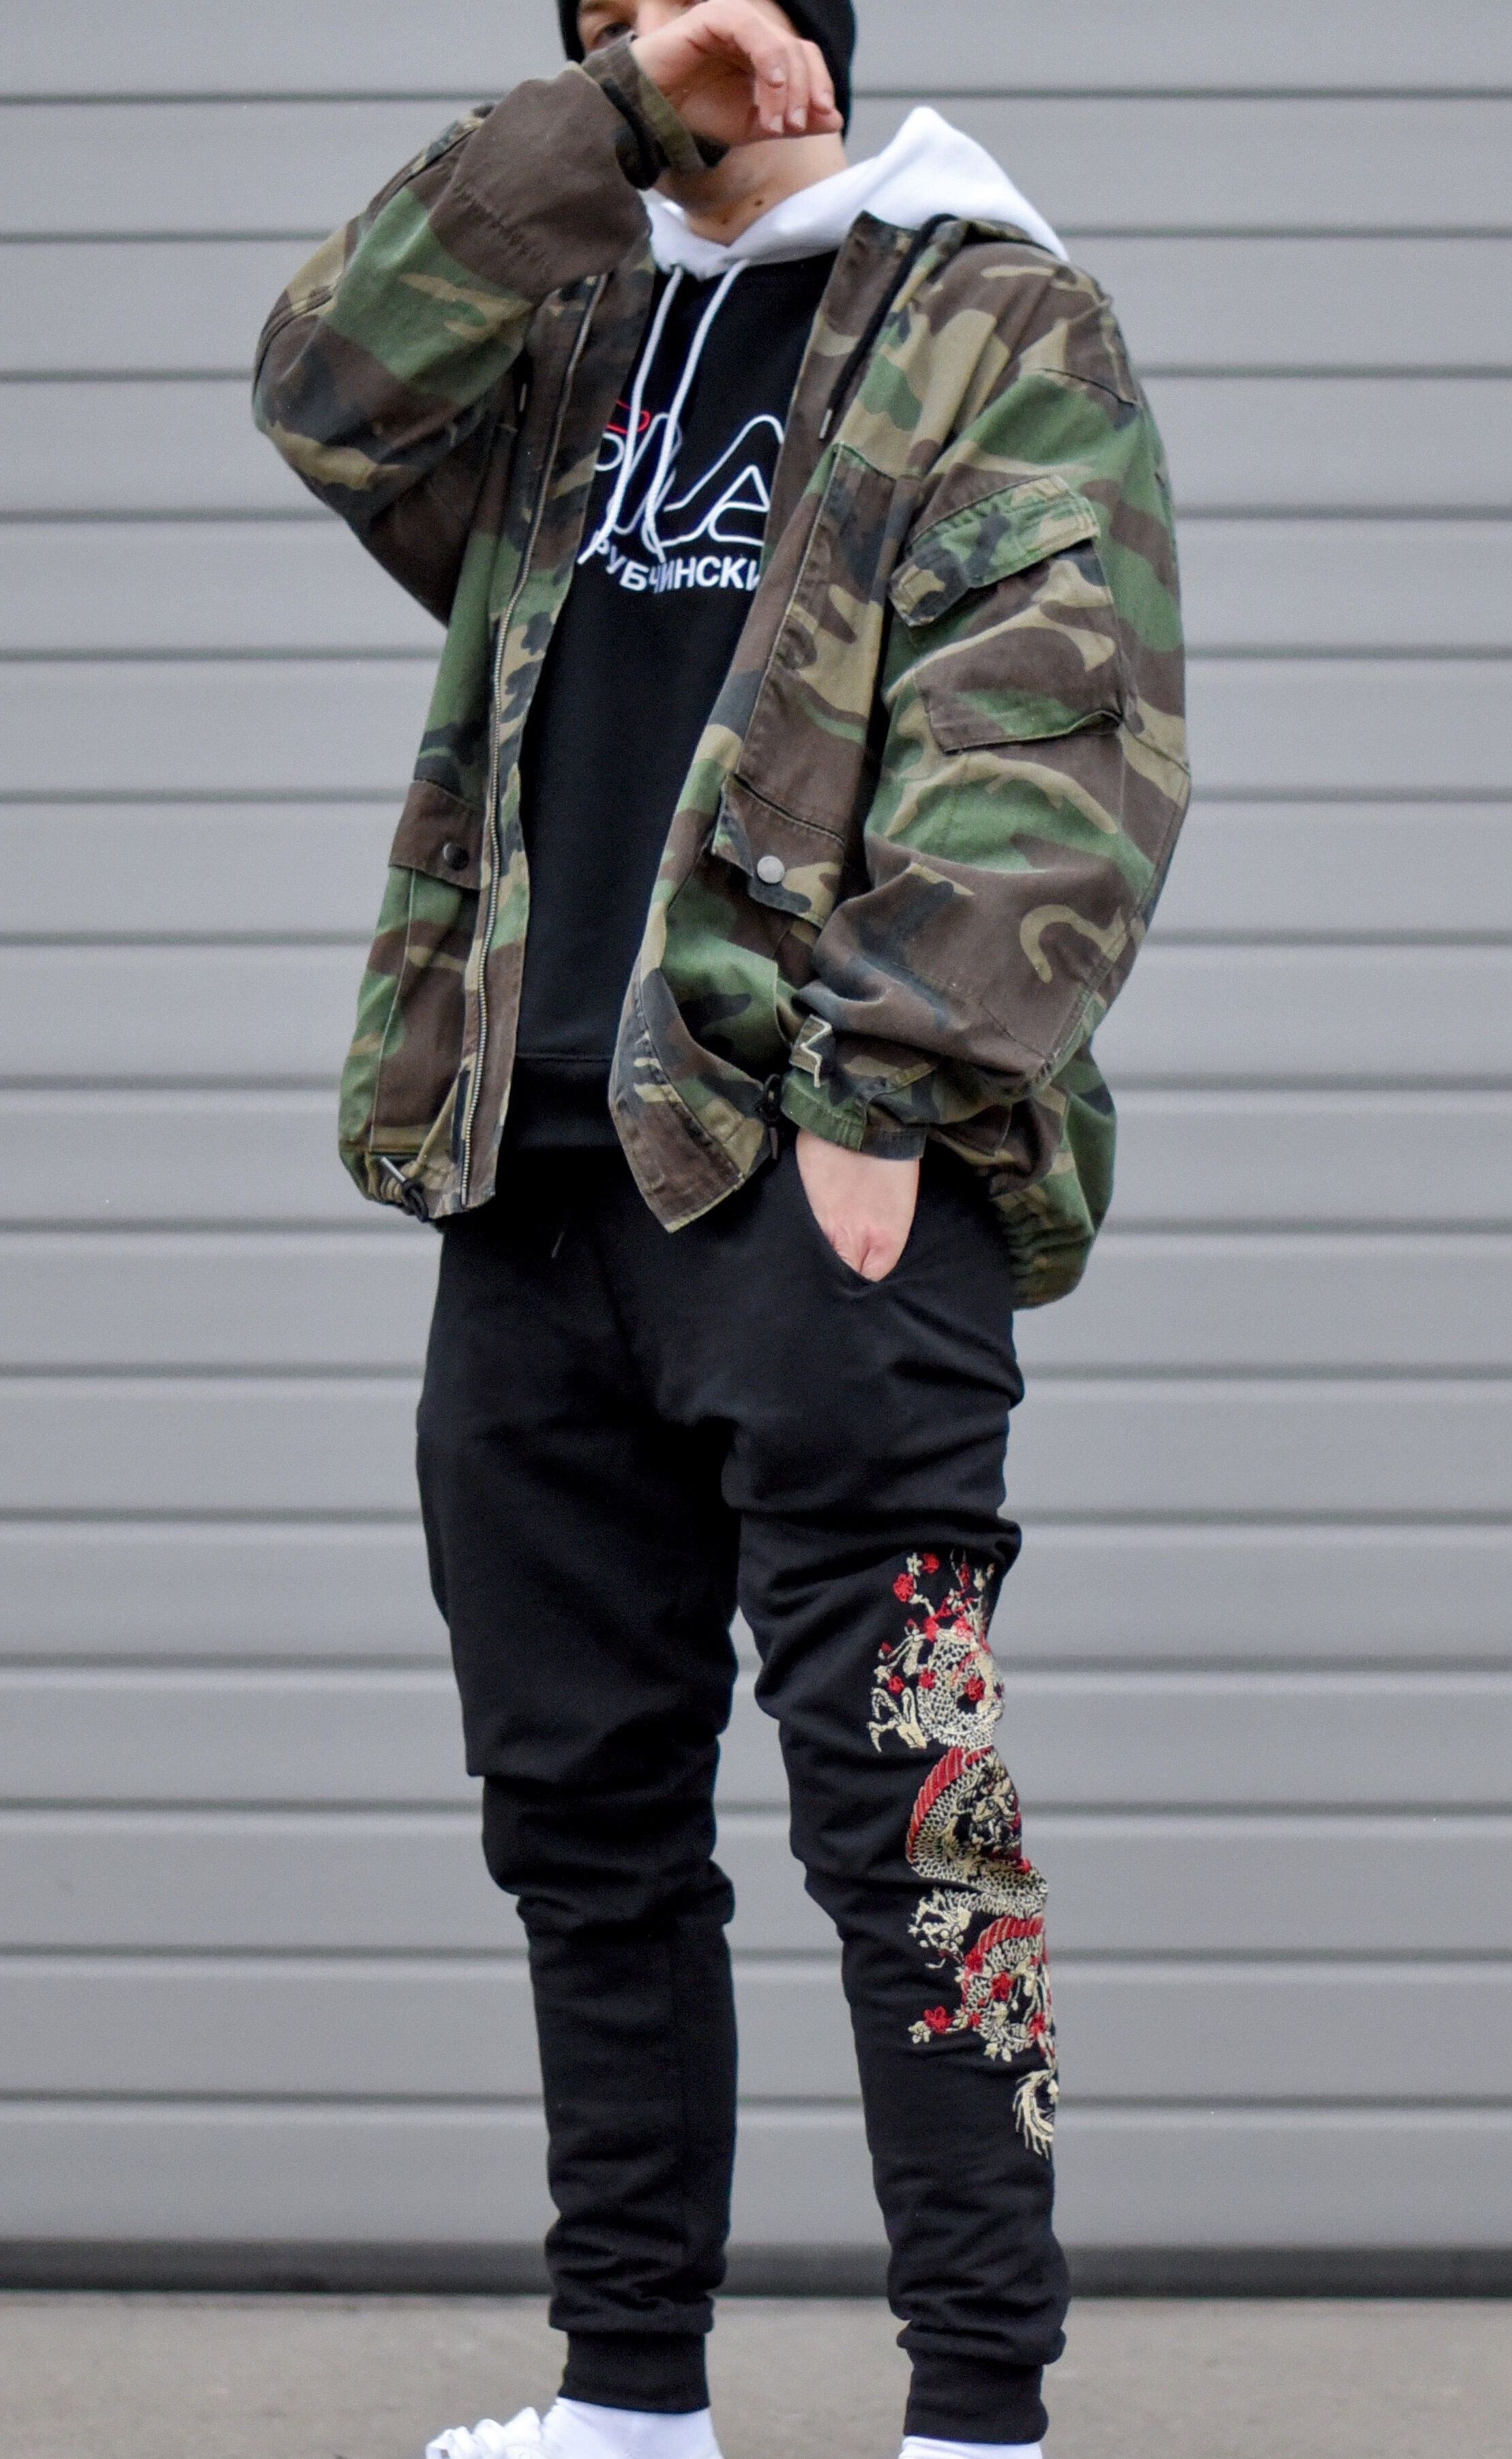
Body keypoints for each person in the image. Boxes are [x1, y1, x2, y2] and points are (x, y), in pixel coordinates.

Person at [254, 4, 1187, 2455]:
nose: (641, 46)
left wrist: (885, 1098)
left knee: (910, 1820)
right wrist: (595, 126)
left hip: (814, 1185)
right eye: (596, 27)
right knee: (582, 1823)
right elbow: (323, 383)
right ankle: (630, 2400)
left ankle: (975, 2412)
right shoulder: (566, 331)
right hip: (525, 1179)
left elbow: (1057, 724)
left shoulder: (988, 311)